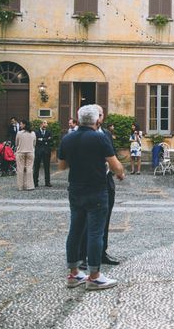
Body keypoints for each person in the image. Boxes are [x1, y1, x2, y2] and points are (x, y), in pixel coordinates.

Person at [58, 104, 125, 291]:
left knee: (75, 230)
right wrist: (120, 172)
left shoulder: (68, 138)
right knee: (95, 232)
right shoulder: (99, 138)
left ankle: (73, 273)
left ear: (78, 120)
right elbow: (115, 166)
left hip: (75, 189)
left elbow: (62, 166)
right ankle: (94, 276)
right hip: (96, 189)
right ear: (97, 120)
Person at [78, 105, 121, 267]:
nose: (100, 117)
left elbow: (113, 154)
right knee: (84, 221)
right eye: (98, 114)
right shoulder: (81, 135)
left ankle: (101, 252)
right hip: (88, 183)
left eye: (101, 114)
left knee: (105, 219)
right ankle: (82, 256)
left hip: (106, 181)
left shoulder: (107, 134)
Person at [15, 120, 36, 191]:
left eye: (21, 124)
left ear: (24, 125)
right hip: (30, 152)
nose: (20, 125)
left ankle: (20, 186)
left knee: (20, 169)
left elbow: (16, 143)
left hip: (20, 152)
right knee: (29, 169)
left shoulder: (19, 133)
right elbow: (34, 143)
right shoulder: (33, 133)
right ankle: (29, 186)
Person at [33, 120, 53, 187]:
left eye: (46, 123)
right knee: (36, 167)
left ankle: (47, 182)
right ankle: (35, 182)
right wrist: (46, 139)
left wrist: (41, 139)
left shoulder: (49, 131)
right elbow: (36, 140)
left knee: (47, 168)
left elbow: (50, 139)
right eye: (45, 123)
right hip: (38, 152)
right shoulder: (36, 132)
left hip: (46, 152)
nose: (46, 124)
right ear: (41, 124)